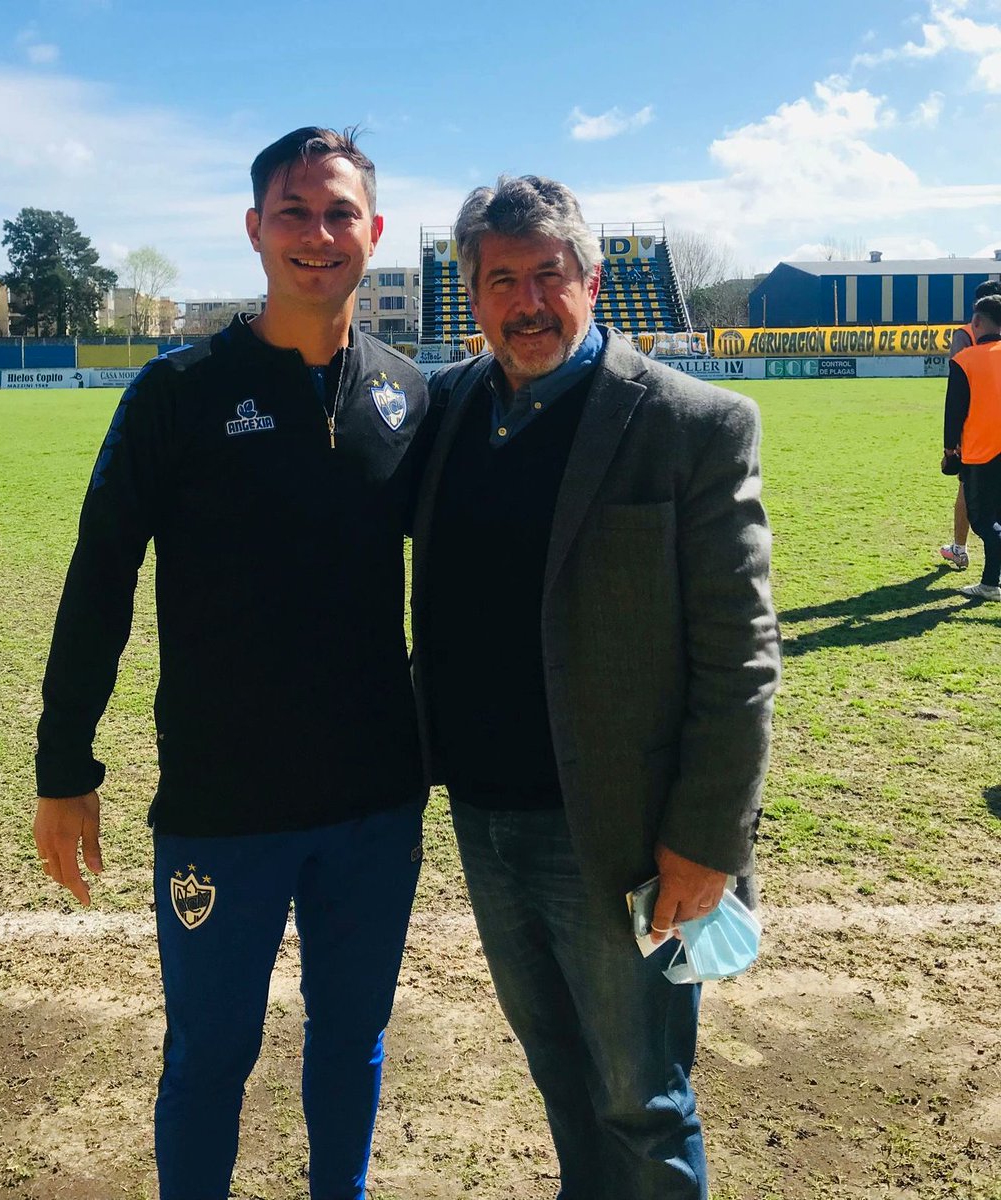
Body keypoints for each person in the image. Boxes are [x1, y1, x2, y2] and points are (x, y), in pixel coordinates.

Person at [32, 127, 429, 1200]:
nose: (317, 234)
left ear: (375, 233)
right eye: (293, 213)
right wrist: (63, 764)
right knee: (210, 1054)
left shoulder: (409, 395)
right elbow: (101, 573)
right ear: (255, 228)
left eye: (339, 212)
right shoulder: (180, 391)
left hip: (376, 802)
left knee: (352, 1042)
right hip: (222, 803)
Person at [410, 176, 780, 1200]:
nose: (527, 302)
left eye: (548, 275)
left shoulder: (690, 425)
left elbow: (742, 657)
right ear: (471, 295)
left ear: (592, 278)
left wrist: (707, 840)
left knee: (641, 1101)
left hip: (620, 840)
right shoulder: (447, 411)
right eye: (501, 281)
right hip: (485, 819)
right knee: (562, 1081)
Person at [939, 279, 1001, 569]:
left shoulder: (965, 336)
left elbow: (958, 387)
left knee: (970, 490)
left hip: (976, 427)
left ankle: (960, 549)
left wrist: (951, 446)